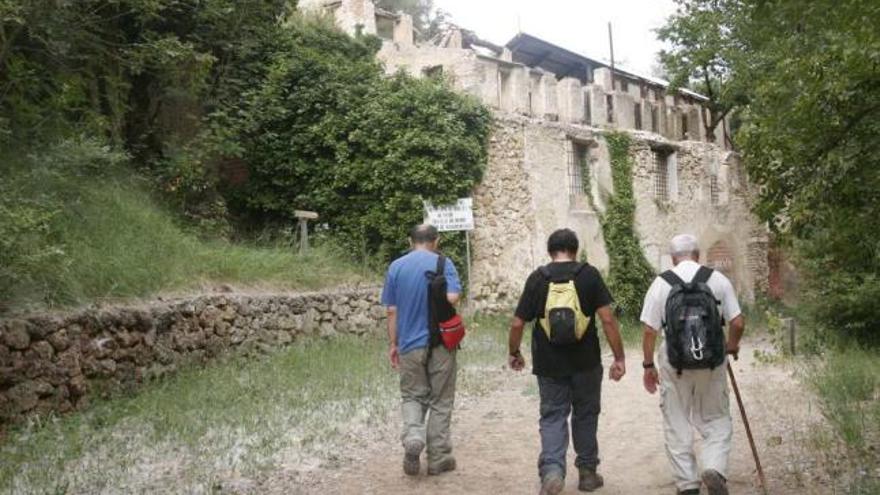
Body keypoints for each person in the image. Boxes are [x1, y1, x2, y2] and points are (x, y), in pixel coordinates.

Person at [508, 228, 626, 495]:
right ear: (576, 249)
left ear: (550, 251)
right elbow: (608, 319)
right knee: (586, 414)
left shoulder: (538, 279)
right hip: (586, 362)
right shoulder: (589, 275)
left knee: (552, 416)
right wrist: (619, 357)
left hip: (549, 364)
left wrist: (514, 353)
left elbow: (517, 323)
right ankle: (587, 473)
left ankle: (552, 471)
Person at [639, 234, 745, 495]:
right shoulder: (718, 280)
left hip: (674, 364)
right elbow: (738, 322)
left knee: (676, 421)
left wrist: (648, 366)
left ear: (673, 258)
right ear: (698, 255)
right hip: (712, 362)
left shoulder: (661, 284)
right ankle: (714, 467)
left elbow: (650, 330)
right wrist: (731, 345)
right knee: (717, 417)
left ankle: (687, 484)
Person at [381, 224, 462, 477]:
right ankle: (438, 457)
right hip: (441, 343)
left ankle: (414, 434)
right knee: (440, 400)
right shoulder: (443, 263)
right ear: (436, 241)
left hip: (409, 344)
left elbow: (391, 311)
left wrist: (394, 343)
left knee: (412, 396)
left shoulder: (396, 267)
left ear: (410, 240)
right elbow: (453, 298)